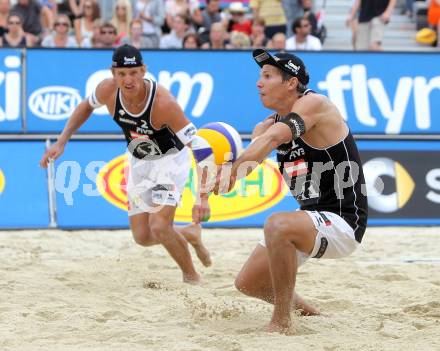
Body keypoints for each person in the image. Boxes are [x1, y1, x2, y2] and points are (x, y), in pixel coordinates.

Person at [214, 49, 368, 333]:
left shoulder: (315, 105)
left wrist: (233, 172)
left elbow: (274, 138)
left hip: (344, 220)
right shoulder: (265, 125)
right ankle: (309, 313)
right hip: (310, 216)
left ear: (291, 83)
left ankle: (281, 320)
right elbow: (252, 159)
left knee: (277, 224)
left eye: (267, 76)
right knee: (249, 283)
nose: (259, 83)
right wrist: (221, 173)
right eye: (260, 76)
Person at [40, 45, 212, 285]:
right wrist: (62, 141)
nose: (128, 80)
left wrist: (202, 198)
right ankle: (190, 233)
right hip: (140, 160)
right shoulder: (107, 90)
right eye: (122, 74)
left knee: (160, 226)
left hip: (170, 161)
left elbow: (202, 148)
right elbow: (86, 106)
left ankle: (191, 276)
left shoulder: (164, 104)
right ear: (113, 73)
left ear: (143, 71)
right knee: (142, 236)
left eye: (133, 73)